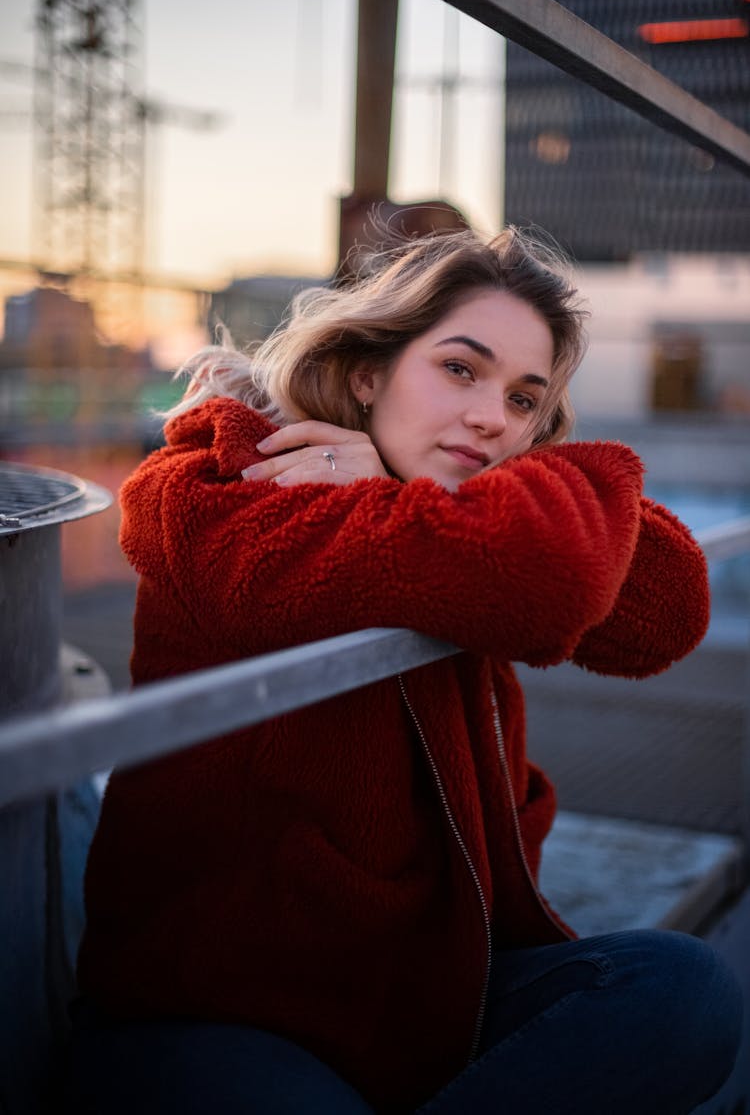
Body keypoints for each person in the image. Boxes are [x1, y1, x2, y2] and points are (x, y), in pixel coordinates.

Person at [70, 227, 741, 1114]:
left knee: (685, 990)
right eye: (461, 369)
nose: (492, 417)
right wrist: (428, 493)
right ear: (367, 372)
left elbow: (667, 610)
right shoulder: (223, 484)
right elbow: (547, 577)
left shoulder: (445, 515)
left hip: (434, 989)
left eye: (524, 399)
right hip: (229, 1006)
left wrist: (407, 485)